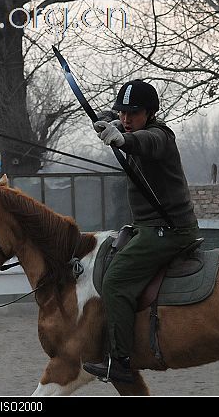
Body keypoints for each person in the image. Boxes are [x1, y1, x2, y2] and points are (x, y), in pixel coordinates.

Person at [82, 79, 199, 383]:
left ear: (149, 113)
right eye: (123, 113)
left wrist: (120, 139)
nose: (126, 119)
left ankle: (120, 361)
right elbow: (115, 120)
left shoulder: (160, 136)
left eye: (133, 114)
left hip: (169, 230)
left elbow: (142, 141)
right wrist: (108, 121)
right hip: (149, 226)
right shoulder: (127, 124)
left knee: (116, 280)